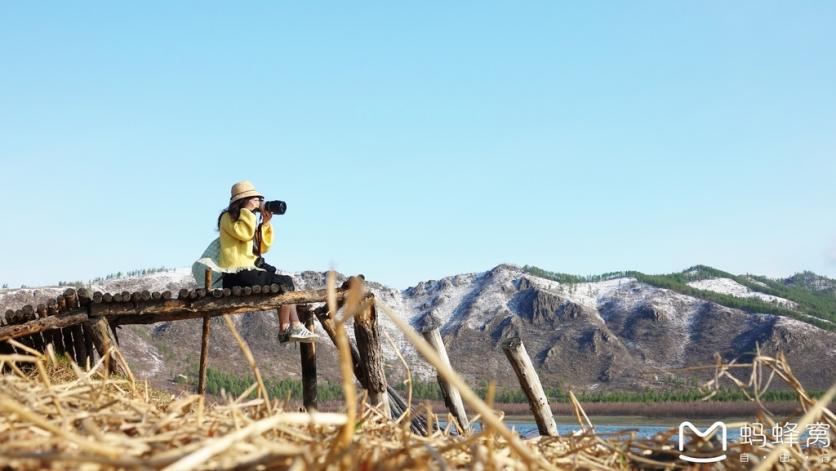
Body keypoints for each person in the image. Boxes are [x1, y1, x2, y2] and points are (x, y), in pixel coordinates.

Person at [216, 180, 317, 343]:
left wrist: (266, 223)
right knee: (286, 283)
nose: (257, 203)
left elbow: (262, 248)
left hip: (246, 271)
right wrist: (248, 212)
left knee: (284, 283)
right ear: (242, 201)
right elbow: (244, 234)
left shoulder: (246, 218)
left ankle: (287, 328)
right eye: (254, 199)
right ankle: (291, 327)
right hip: (236, 274)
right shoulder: (227, 218)